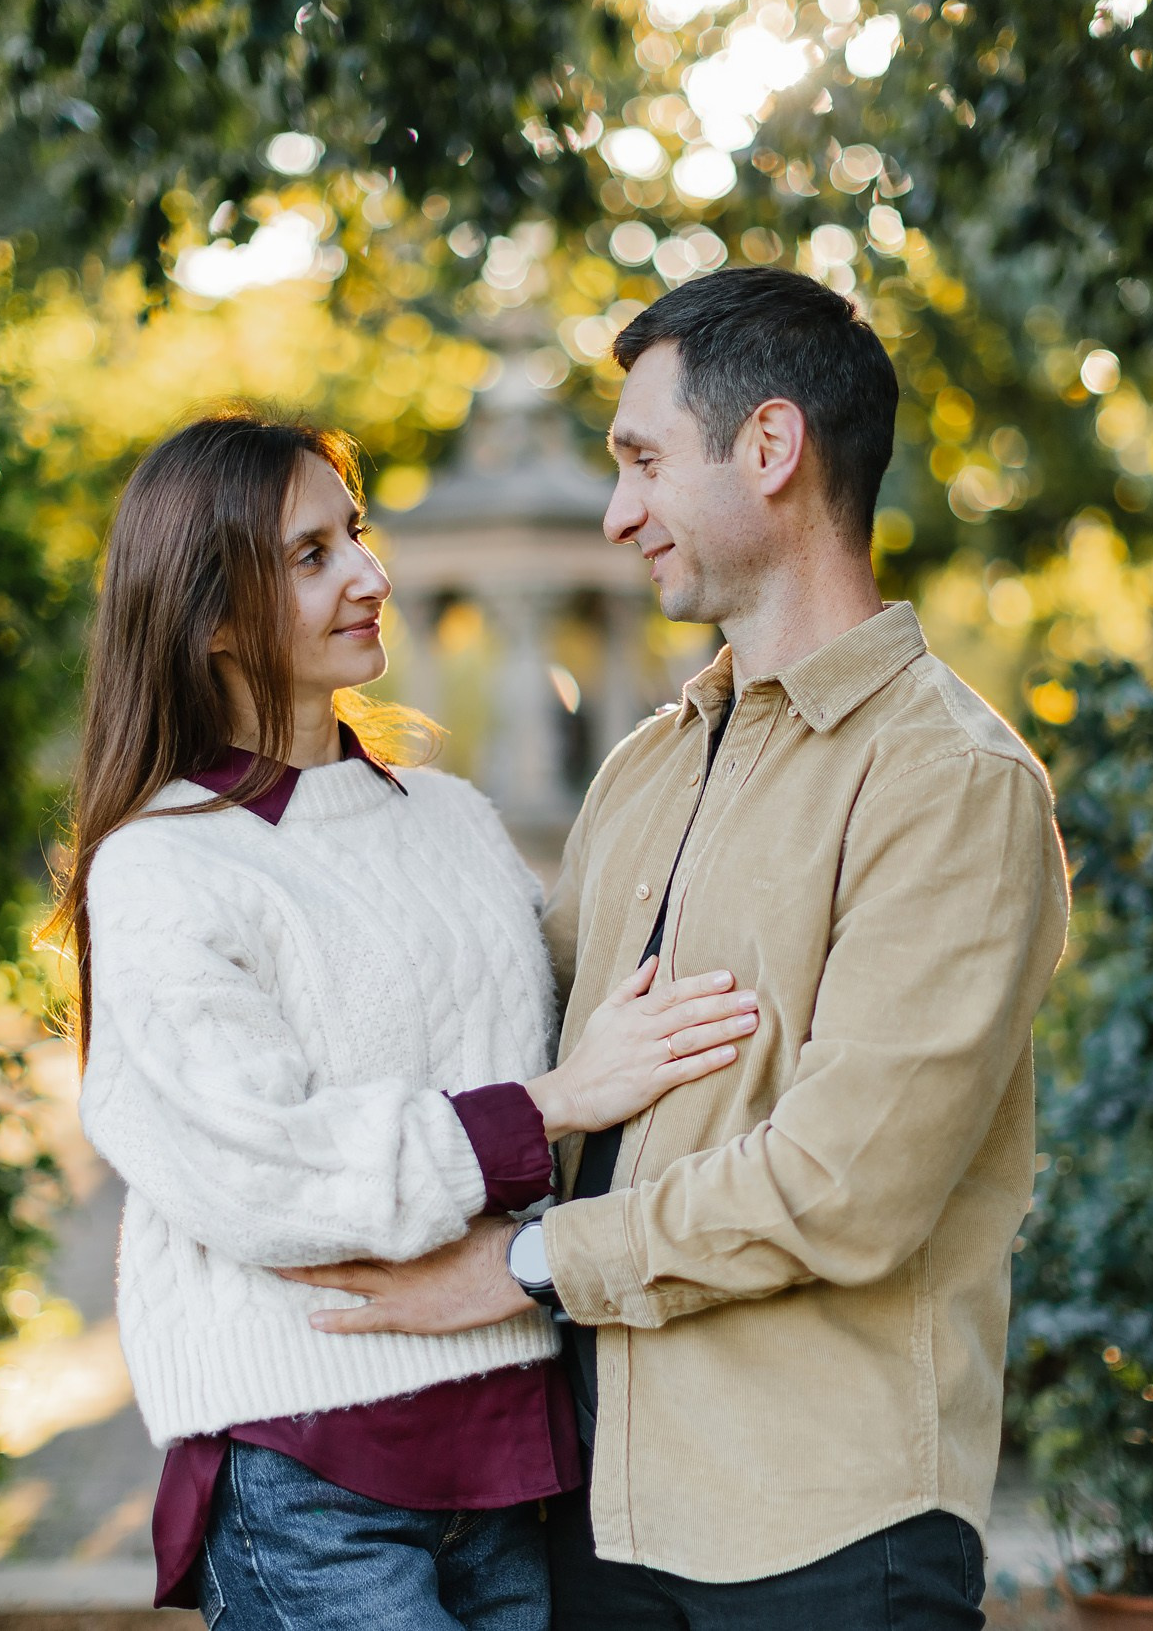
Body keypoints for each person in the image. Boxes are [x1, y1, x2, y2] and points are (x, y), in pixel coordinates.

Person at [288, 266, 1072, 1630]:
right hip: (599, 1522)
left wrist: (530, 1261)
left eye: (643, 458)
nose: (616, 511)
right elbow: (527, 1058)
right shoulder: (647, 769)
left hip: (826, 1539)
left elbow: (845, 1185)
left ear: (770, 448)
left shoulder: (948, 780)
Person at [53, 410, 764, 1631]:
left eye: (358, 536)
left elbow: (592, 1043)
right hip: (308, 1468)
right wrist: (542, 1111)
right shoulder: (163, 869)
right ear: (213, 618)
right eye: (312, 556)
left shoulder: (451, 822)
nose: (371, 577)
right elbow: (257, 1169)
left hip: (506, 1452)